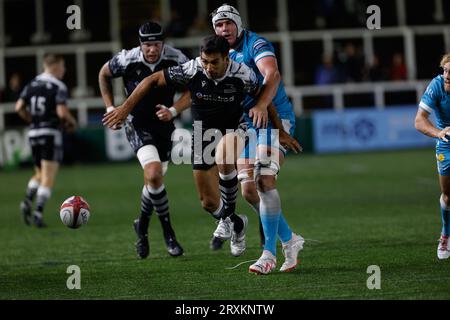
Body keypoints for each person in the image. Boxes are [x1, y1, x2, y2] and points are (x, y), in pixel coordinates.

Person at [103, 35, 263, 257]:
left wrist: (276, 127)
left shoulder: (243, 74)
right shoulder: (191, 68)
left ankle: (230, 217)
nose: (208, 67)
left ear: (226, 58)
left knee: (225, 157)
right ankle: (236, 223)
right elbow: (150, 80)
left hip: (234, 127)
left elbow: (262, 97)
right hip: (202, 133)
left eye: (214, 62)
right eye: (205, 61)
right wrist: (123, 108)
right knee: (207, 202)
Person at [211, 4, 303, 274]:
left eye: (228, 23)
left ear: (238, 24)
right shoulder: (217, 54)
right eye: (219, 25)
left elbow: (272, 74)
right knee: (250, 190)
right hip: (245, 124)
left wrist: (262, 104)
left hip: (275, 118)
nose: (224, 29)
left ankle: (268, 254)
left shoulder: (256, 43)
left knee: (264, 180)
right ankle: (290, 240)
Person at [98, 22, 187, 259]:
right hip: (137, 123)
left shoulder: (176, 58)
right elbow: (103, 74)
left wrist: (174, 110)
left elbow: (194, 87)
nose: (151, 49)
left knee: (153, 181)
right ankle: (169, 233)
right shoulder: (127, 59)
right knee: (154, 173)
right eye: (147, 45)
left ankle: (142, 227)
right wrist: (109, 107)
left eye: (156, 44)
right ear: (140, 44)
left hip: (165, 125)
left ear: (163, 43)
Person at [16, 54, 77, 228]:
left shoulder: (32, 84)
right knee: (48, 177)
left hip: (34, 133)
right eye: (63, 66)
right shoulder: (58, 86)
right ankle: (38, 213)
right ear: (56, 66)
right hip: (50, 133)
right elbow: (62, 113)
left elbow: (19, 107)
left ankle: (27, 201)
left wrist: (31, 120)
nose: (64, 70)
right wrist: (72, 122)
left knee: (39, 174)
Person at [415, 52, 450, 260]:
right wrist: (439, 133)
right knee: (447, 195)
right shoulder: (436, 85)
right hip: (446, 144)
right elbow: (419, 121)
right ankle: (446, 233)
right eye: (445, 70)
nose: (447, 75)